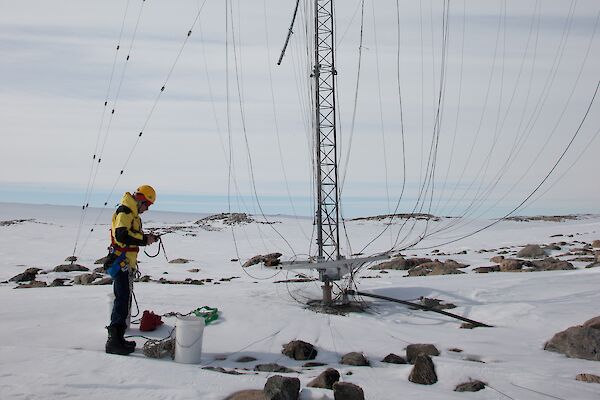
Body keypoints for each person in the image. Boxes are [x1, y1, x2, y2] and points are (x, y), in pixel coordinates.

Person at [104, 185, 159, 355]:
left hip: (126, 263)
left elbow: (128, 234)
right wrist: (144, 239)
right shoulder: (125, 211)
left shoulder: (131, 213)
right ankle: (114, 341)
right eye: (147, 205)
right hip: (121, 262)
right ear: (141, 200)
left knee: (123, 299)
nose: (146, 209)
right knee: (121, 300)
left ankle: (118, 339)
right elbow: (121, 235)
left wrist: (145, 238)